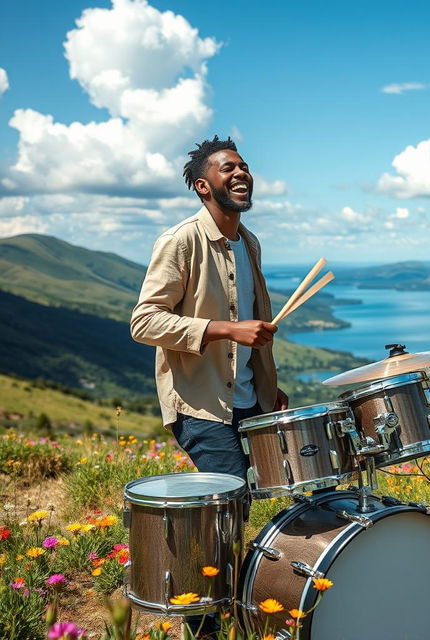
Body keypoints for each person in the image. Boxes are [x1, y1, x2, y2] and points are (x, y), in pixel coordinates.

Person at [131, 136, 288, 636]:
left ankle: (232, 606)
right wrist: (223, 329)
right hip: (201, 405)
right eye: (227, 169)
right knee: (221, 513)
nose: (241, 174)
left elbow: (254, 323)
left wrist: (268, 384)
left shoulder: (250, 241)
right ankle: (204, 625)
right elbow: (144, 322)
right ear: (203, 186)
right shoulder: (181, 241)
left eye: (244, 166)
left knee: (242, 508)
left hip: (248, 399)